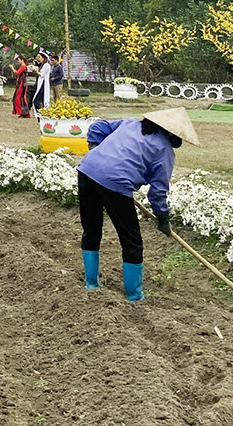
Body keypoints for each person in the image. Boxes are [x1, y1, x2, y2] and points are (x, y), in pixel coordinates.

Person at [77, 107, 200, 302]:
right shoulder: (164, 150)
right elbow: (158, 191)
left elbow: (97, 127)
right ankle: (135, 295)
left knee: (91, 230)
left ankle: (91, 284)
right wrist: (163, 218)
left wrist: (97, 152)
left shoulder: (131, 123)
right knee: (131, 241)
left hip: (87, 171)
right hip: (115, 183)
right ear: (171, 132)